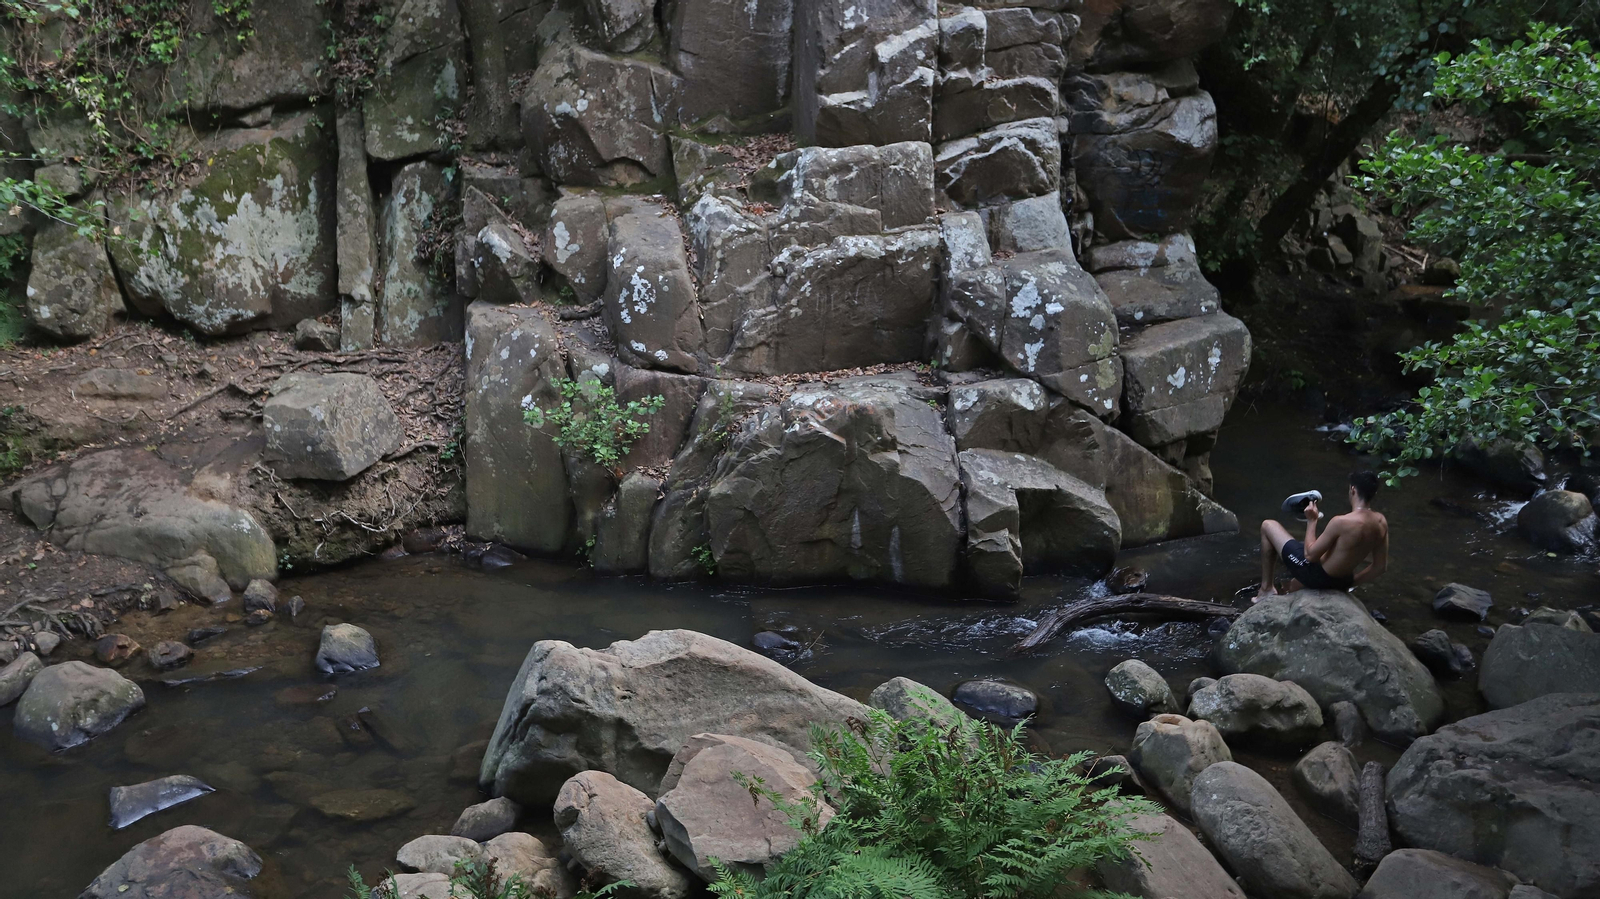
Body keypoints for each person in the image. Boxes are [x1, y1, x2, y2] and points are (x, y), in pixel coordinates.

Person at [1256, 471, 1389, 600]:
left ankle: (1266, 589)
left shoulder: (1341, 522)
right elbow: (1380, 567)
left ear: (1353, 489)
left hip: (1318, 577)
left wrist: (1312, 520)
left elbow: (1310, 556)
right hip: (1343, 580)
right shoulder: (1381, 522)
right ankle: (1290, 588)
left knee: (1268, 525)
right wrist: (1348, 584)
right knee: (1292, 583)